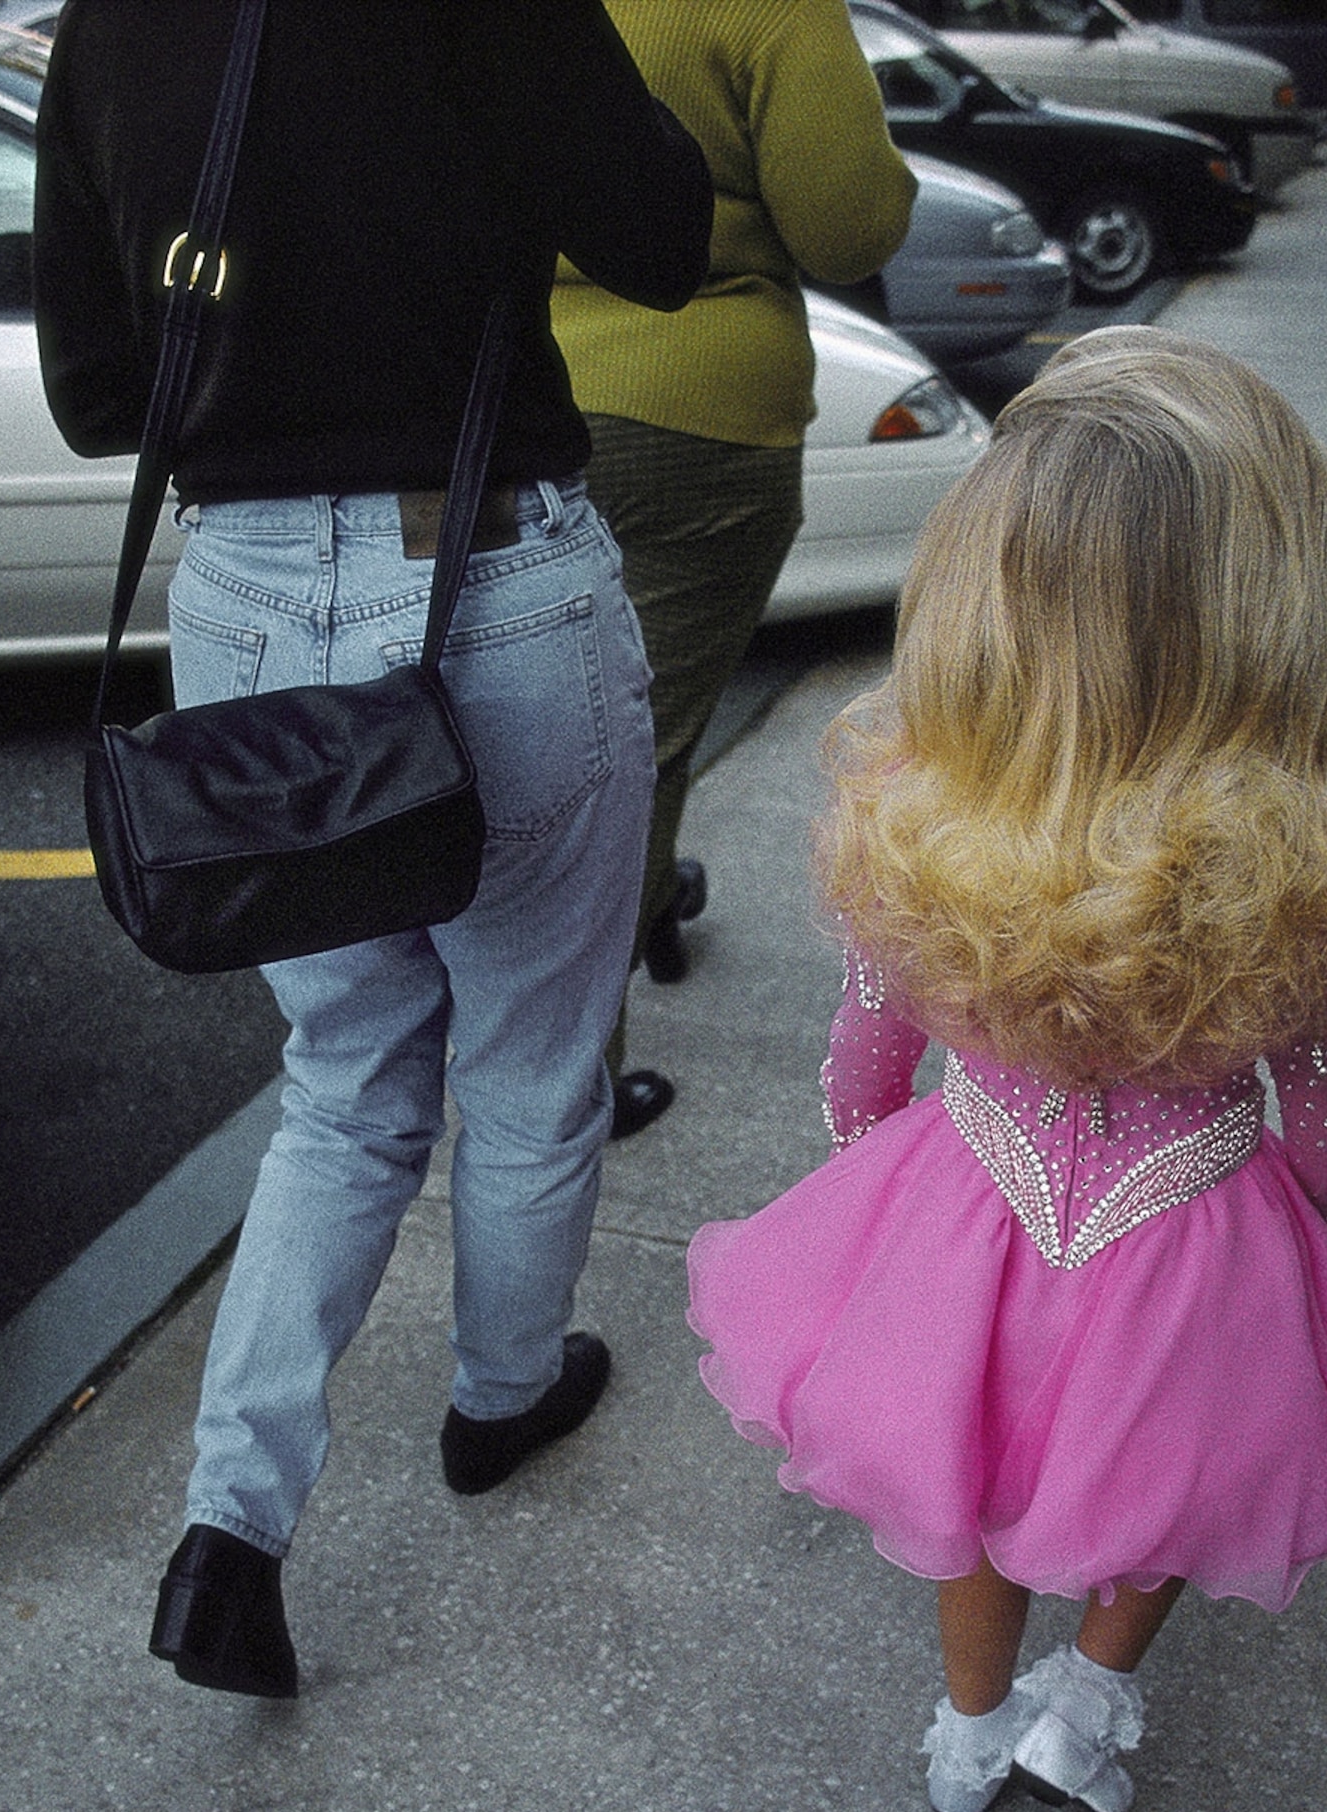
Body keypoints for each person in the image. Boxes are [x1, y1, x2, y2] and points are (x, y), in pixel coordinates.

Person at [686, 330, 1327, 1812]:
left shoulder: (921, 831)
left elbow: (862, 1076)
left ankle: (971, 1733)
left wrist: (878, 1209)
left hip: (972, 1207)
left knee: (976, 1496)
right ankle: (1091, 1703)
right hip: (1201, 1247)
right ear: (1284, 609)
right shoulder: (1308, 871)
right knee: (1176, 1479)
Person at [33, 0, 710, 1699]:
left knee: (343, 1076)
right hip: (489, 576)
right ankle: (498, 1394)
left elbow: (94, 390)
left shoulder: (112, 18)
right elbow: (663, 241)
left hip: (246, 593)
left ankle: (229, 1539)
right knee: (535, 1051)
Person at [550, 0, 918, 1143]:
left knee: (549, 726)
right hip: (695, 412)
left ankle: (651, 906)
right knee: (636, 750)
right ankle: (575, 1085)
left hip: (511, 398)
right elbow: (851, 224)